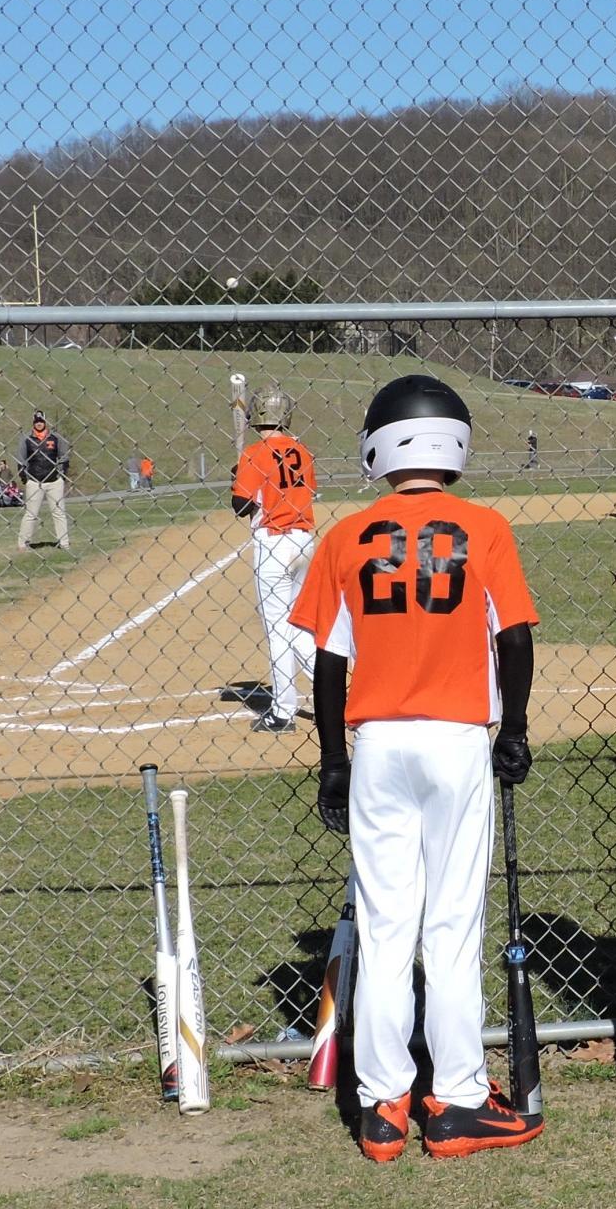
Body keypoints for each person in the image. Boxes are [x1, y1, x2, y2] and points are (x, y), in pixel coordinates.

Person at [292, 375, 543, 1161]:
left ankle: (381, 1105)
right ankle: (460, 1097)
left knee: (386, 924)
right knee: (452, 926)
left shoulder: (345, 536)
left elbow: (328, 662)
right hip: (456, 739)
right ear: (456, 444)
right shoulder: (485, 528)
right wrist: (516, 726)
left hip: (379, 746)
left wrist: (333, 760)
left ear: (378, 446)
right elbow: (514, 639)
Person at [231, 389, 317, 733]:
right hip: (305, 541)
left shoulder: (254, 453)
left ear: (257, 415)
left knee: (279, 630)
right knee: (299, 625)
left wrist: (235, 478)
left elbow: (241, 506)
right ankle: (334, 689)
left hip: (274, 544)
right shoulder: (303, 451)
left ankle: (283, 711)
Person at [16, 410, 71, 547]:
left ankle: (64, 542)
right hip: (35, 481)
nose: (39, 424)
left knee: (59, 513)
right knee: (31, 514)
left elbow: (64, 457)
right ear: (33, 422)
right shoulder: (26, 439)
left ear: (45, 422)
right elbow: (21, 460)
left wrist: (62, 475)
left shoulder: (55, 438)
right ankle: (23, 543)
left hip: (54, 481)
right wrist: (25, 478)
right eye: (36, 422)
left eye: (41, 421)